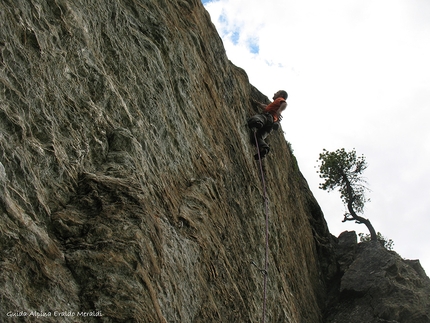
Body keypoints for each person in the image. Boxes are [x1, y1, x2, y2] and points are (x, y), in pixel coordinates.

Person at [247, 90, 288, 160]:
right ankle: (264, 148)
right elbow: (265, 107)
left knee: (254, 120)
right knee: (257, 138)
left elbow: (284, 104)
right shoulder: (274, 105)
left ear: (281, 95)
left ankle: (259, 123)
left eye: (277, 92)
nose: (275, 93)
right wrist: (256, 103)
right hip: (270, 125)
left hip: (268, 117)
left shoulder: (280, 100)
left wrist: (279, 111)